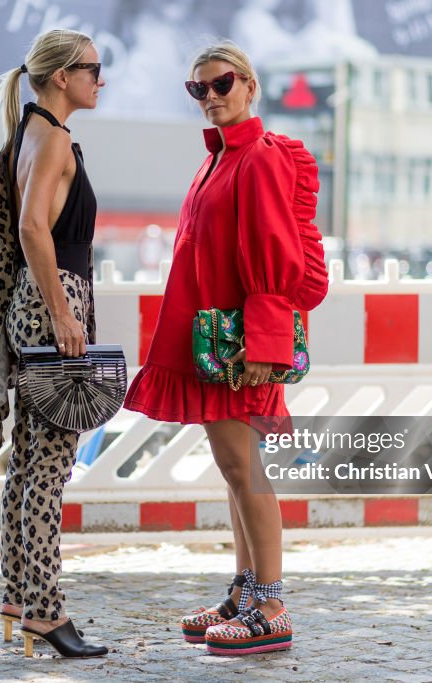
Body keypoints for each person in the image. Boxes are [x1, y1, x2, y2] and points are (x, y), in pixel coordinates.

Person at [124, 41, 328, 655]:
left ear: (249, 86)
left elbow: (273, 253)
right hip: (221, 343)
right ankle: (245, 592)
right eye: (198, 90)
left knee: (245, 470)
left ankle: (270, 605)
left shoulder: (259, 158)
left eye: (221, 84)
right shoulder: (218, 160)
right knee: (236, 471)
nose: (211, 97)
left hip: (243, 347)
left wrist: (264, 344)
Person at [0, 29, 107, 658]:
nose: (100, 79)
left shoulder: (30, 133)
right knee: (50, 470)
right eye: (92, 68)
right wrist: (63, 313)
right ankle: (46, 609)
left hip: (31, 304)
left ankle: (19, 592)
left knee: (27, 462)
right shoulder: (53, 138)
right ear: (61, 75)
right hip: (51, 302)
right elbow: (35, 228)